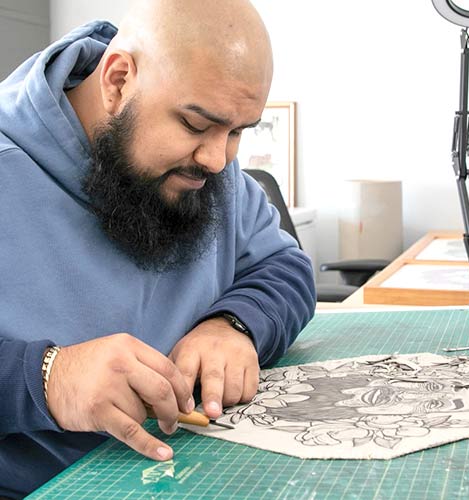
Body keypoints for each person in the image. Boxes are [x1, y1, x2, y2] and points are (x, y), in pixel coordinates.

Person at [0, 0, 315, 497]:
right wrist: (47, 378)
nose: (217, 159)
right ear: (119, 79)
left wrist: (234, 324)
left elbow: (285, 266)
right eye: (195, 125)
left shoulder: (209, 167)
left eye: (237, 132)